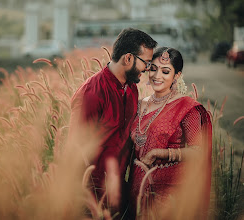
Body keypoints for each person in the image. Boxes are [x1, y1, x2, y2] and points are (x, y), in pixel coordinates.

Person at [69, 28, 157, 215]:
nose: (148, 69)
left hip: (119, 193)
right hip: (91, 198)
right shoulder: (91, 93)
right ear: (128, 59)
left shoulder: (132, 89)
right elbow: (75, 150)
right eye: (146, 63)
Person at [127, 47, 212, 219]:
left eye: (165, 71)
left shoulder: (186, 108)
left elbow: (198, 152)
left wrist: (159, 153)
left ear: (177, 75)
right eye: (153, 68)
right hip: (137, 190)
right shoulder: (139, 105)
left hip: (169, 195)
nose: (157, 76)